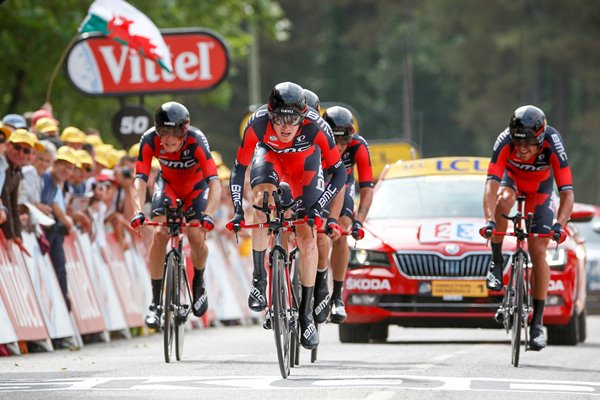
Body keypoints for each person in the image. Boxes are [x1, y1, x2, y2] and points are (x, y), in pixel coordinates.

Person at [227, 81, 346, 349]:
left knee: (306, 236)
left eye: (293, 120)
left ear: (303, 117)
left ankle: (305, 314)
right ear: (270, 113)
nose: (285, 126)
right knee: (261, 202)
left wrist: (319, 206)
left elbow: (339, 173)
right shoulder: (257, 123)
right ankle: (260, 278)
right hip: (269, 159)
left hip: (304, 167)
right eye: (279, 118)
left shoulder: (317, 127)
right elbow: (238, 169)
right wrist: (237, 208)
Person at [480, 105, 573, 351]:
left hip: (540, 191)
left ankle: (537, 324)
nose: (521, 149)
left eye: (528, 144)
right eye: (518, 143)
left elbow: (567, 192)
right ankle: (497, 261)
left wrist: (559, 225)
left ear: (540, 139)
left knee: (538, 250)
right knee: (504, 199)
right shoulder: (504, 141)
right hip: (511, 183)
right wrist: (489, 220)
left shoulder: (553, 142)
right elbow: (491, 185)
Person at [130, 101, 221, 329]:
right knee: (160, 233)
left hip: (196, 189)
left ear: (184, 130)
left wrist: (208, 215)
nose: (168, 139)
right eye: (163, 132)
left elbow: (215, 183)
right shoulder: (149, 139)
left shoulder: (197, 140)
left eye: (174, 133)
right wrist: (138, 211)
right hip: (168, 185)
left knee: (194, 234)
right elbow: (139, 181)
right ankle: (155, 303)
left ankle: (198, 282)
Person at [317, 106, 373, 324]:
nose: (340, 148)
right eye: (335, 143)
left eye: (344, 143)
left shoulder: (358, 145)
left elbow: (367, 187)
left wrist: (359, 221)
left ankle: (337, 297)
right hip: (318, 182)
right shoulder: (314, 140)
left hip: (344, 184)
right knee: (315, 228)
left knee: (341, 229)